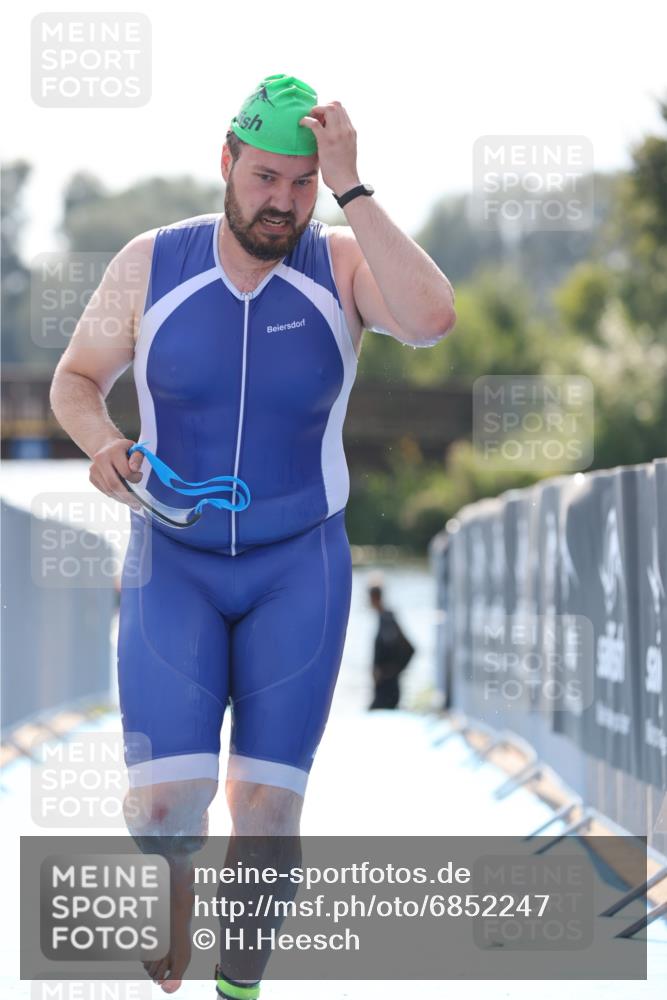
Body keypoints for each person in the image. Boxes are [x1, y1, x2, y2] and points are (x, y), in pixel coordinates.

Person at [49, 73, 456, 997]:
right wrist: (107, 445)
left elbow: (431, 319)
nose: (283, 202)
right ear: (227, 162)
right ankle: (178, 882)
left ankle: (239, 986)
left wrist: (354, 187)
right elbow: (74, 380)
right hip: (174, 564)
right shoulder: (153, 262)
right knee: (164, 812)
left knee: (267, 817)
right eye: (267, 178)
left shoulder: (343, 264)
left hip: (296, 568)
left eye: (303, 184)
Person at [368, 577, 415, 709]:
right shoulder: (383, 618)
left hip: (388, 689)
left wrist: (391, 672)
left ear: (374, 597)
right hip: (383, 688)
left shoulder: (387, 619)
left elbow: (410, 649)